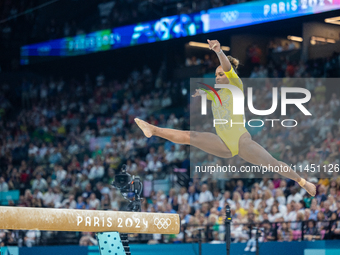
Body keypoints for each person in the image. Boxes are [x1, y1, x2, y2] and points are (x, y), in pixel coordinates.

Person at [134, 39, 316, 197]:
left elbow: (228, 69)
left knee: (273, 164)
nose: (218, 77)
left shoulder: (236, 86)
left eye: (221, 74)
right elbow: (209, 92)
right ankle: (153, 129)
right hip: (223, 143)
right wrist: (200, 92)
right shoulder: (216, 94)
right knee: (192, 137)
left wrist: (218, 51)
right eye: (216, 75)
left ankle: (302, 182)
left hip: (242, 141)